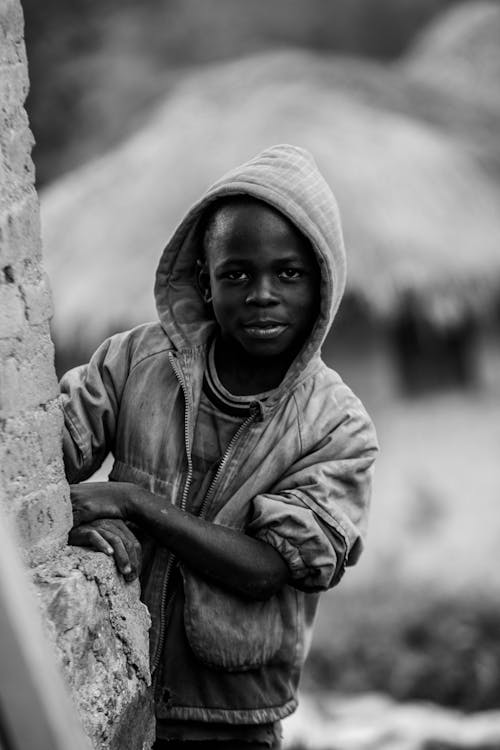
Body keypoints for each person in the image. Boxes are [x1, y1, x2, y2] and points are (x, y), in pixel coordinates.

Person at [62, 144, 378, 749]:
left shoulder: (337, 427)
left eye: (289, 273)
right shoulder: (132, 363)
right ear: (205, 283)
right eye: (236, 274)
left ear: (323, 286)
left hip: (232, 722)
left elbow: (268, 568)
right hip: (114, 694)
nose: (262, 293)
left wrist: (131, 502)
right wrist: (73, 526)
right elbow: (35, 473)